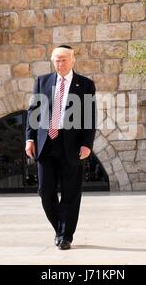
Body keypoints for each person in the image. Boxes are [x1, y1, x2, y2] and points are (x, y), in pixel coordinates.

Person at [25, 45, 96, 250]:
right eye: (56, 59)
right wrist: (29, 139)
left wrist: (86, 143)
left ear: (73, 60)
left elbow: (90, 115)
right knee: (45, 191)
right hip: (46, 143)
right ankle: (60, 228)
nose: (60, 63)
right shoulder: (42, 81)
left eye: (64, 59)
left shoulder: (85, 84)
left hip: (72, 144)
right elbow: (33, 112)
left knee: (71, 192)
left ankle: (65, 236)